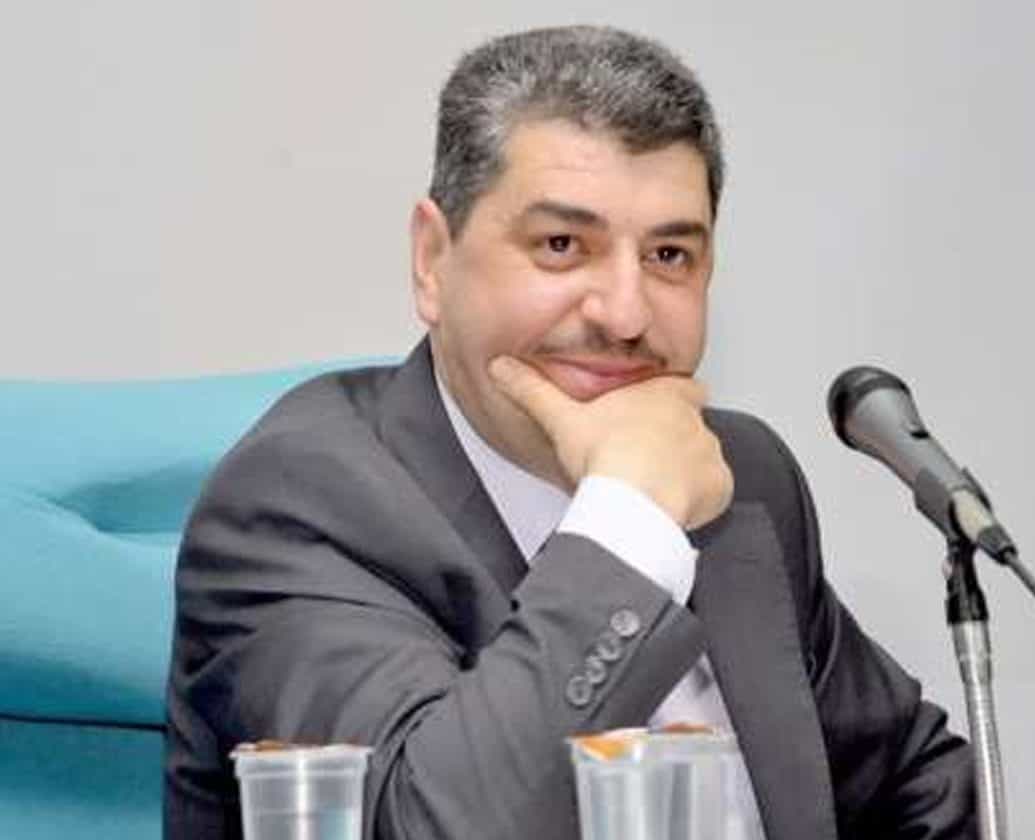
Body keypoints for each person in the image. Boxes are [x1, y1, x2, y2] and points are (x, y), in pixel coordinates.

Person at [164, 25, 975, 839]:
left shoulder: (743, 477)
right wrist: (631, 524)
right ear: (432, 259)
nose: (625, 314)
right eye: (561, 246)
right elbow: (431, 824)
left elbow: (918, 789)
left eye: (669, 255)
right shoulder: (300, 504)